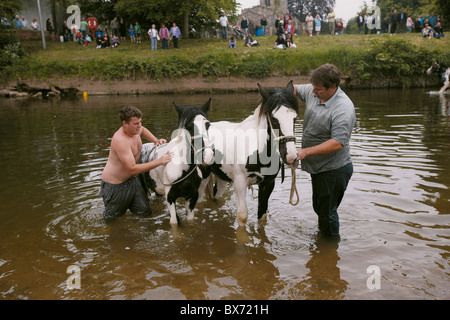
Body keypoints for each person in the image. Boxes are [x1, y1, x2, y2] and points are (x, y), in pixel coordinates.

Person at [293, 64, 356, 239]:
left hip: (334, 169)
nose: (313, 92)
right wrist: (278, 97)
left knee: (327, 213)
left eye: (318, 89)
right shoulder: (315, 91)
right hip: (318, 167)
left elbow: (337, 143)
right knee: (319, 208)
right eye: (313, 87)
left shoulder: (343, 108)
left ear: (332, 88)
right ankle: (324, 240)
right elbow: (294, 89)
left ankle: (329, 251)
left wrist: (305, 152)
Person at [100, 106, 171, 220]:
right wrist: (159, 161)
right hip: (115, 187)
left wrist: (155, 140)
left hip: (132, 181)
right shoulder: (121, 140)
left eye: (140, 122)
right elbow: (132, 168)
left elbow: (143, 130)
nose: (139, 126)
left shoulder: (136, 130)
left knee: (145, 213)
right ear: (124, 123)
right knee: (112, 220)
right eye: (136, 123)